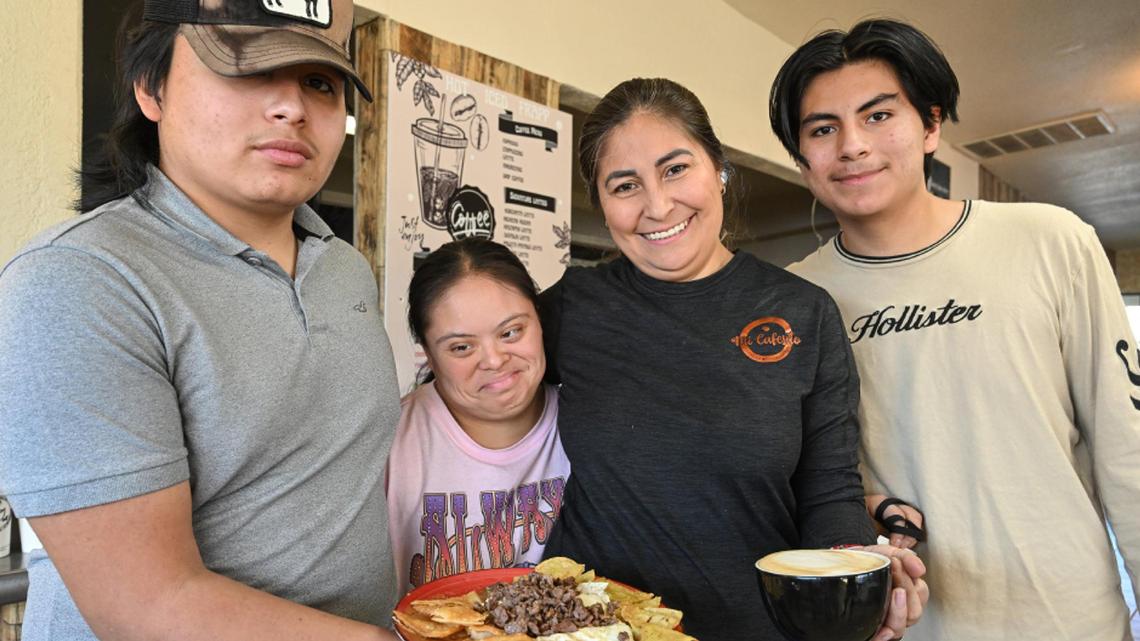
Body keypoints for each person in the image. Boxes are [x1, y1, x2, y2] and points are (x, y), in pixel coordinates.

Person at [0, 1, 403, 639]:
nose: (292, 107)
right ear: (150, 89)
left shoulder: (344, 267)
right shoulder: (78, 280)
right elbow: (147, 606)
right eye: (245, 69)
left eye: (319, 83)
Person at [770, 18, 1140, 640]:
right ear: (803, 156)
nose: (853, 144)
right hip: (899, 626)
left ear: (931, 124)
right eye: (824, 129)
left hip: (1067, 618)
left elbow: (1127, 444)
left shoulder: (1051, 241)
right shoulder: (792, 300)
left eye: (879, 115)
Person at [540, 77, 927, 641]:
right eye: (624, 185)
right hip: (592, 628)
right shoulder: (573, 305)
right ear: (601, 203)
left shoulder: (804, 311)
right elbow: (477, 405)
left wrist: (857, 575)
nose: (658, 204)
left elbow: (828, 487)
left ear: (718, 167)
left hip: (758, 625)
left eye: (676, 169)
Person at [386, 238, 569, 595]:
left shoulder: (587, 424)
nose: (494, 359)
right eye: (461, 347)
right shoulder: (390, 442)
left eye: (511, 332)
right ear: (428, 355)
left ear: (540, 322)